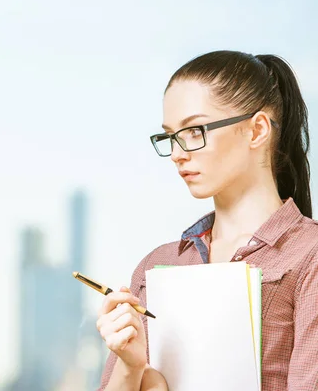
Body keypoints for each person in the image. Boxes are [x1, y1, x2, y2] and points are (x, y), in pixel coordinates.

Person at [96, 50, 318, 391]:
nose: (177, 154)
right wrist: (130, 365)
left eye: (194, 131)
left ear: (257, 130)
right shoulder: (157, 266)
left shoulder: (309, 255)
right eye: (169, 136)